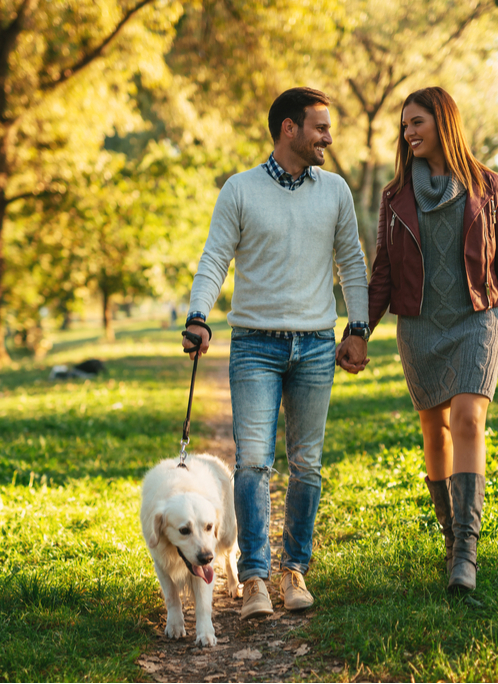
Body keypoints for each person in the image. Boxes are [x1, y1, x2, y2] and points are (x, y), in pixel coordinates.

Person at [340, 86, 498, 593]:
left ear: (443, 123)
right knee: (434, 432)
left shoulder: (490, 187)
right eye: (405, 125)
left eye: (417, 123)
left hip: (476, 319)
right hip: (419, 327)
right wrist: (359, 332)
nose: (408, 132)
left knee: (468, 421)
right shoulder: (394, 197)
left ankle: (467, 554)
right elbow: (383, 276)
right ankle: (451, 540)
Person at [182, 87, 370, 618]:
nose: (328, 137)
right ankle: (257, 579)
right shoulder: (239, 190)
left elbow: (352, 262)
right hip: (255, 346)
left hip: (314, 344)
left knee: (306, 464)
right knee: (255, 463)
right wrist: (199, 315)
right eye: (320, 127)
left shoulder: (334, 191)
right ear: (289, 129)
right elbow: (215, 258)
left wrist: (357, 327)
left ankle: (295, 572)